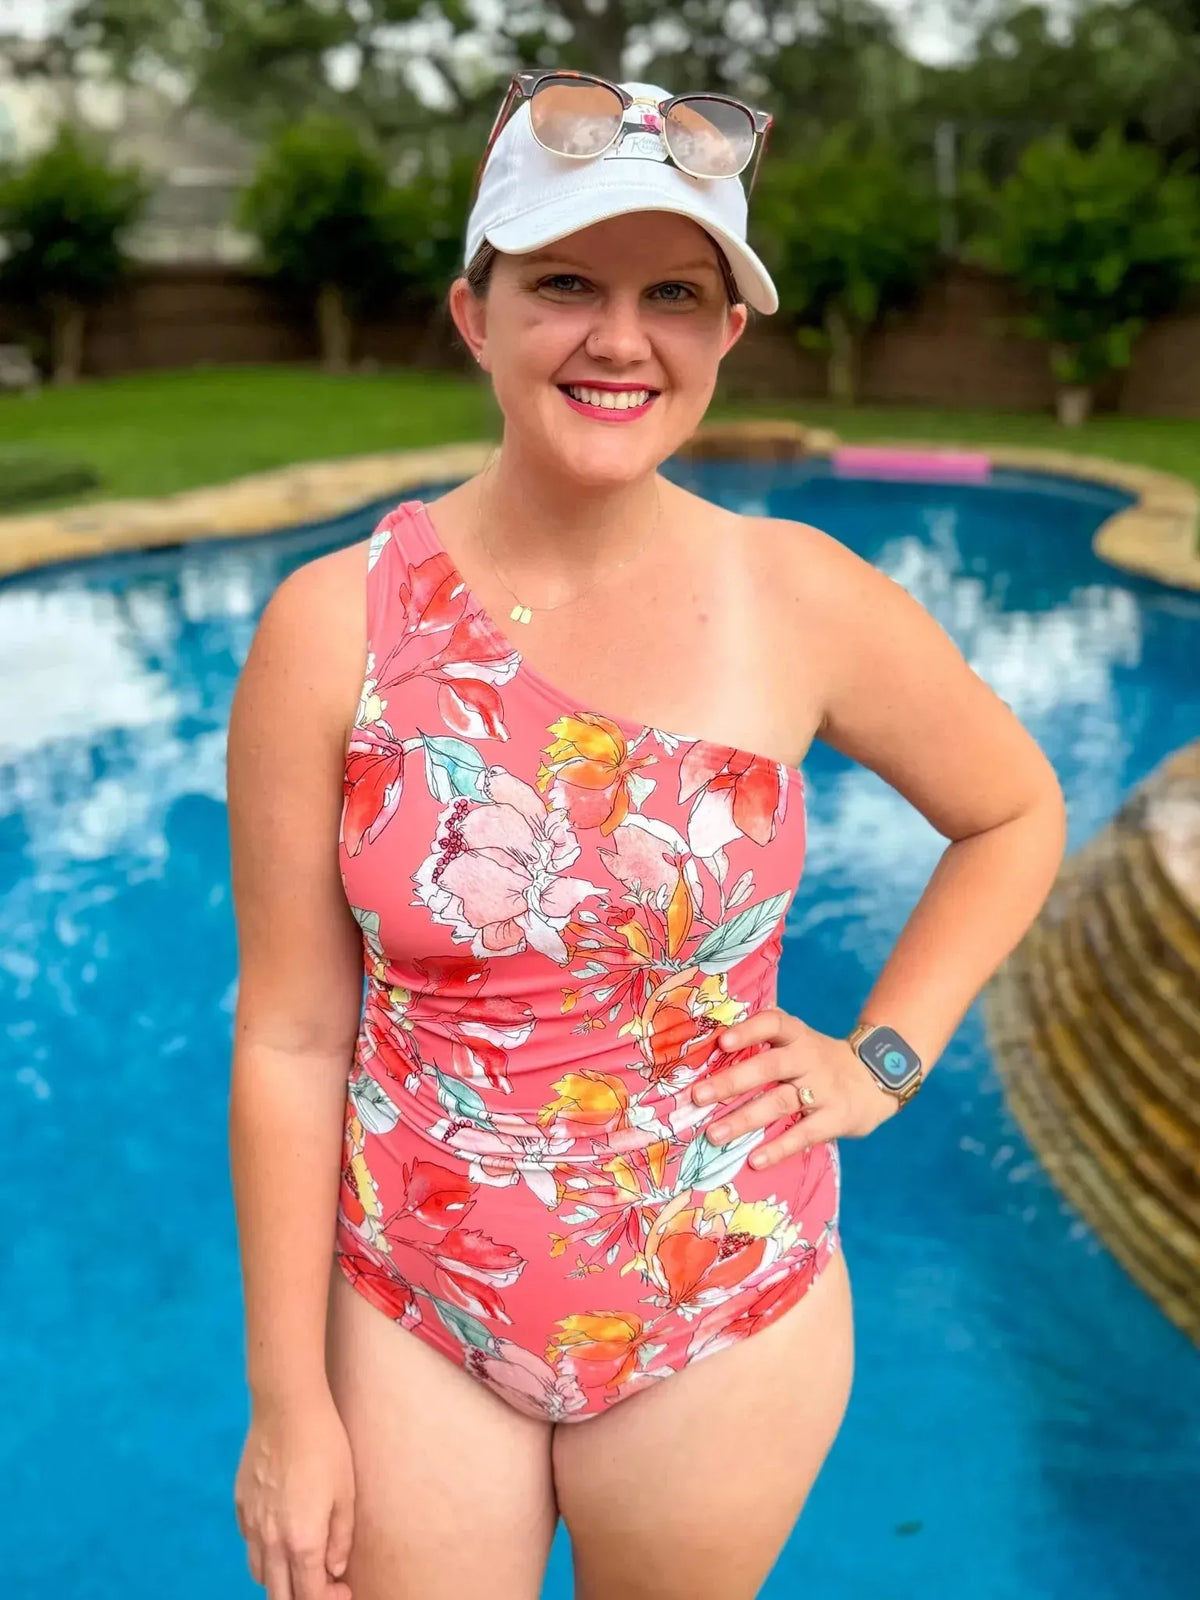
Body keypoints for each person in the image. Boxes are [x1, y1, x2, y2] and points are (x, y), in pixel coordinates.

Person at [226, 70, 1067, 1600]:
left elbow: (1014, 811)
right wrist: (289, 1407)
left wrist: (882, 1060)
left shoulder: (801, 597)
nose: (620, 339)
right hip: (417, 1304)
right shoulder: (330, 630)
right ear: (474, 314)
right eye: (563, 284)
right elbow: (290, 1037)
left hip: (724, 1300)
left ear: (726, 333)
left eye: (673, 292)